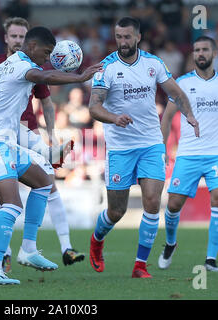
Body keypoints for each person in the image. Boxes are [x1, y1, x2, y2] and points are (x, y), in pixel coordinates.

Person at [0, 26, 102, 285]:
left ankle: (28, 249)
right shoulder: (23, 66)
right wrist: (79, 77)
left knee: (43, 182)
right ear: (31, 47)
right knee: (12, 204)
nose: (48, 58)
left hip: (4, 140)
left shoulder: (9, 62)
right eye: (46, 52)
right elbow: (45, 77)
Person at [88, 17, 199, 278]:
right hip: (120, 147)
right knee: (117, 211)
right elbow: (94, 107)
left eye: (127, 37)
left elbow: (178, 93)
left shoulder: (153, 63)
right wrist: (115, 118)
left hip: (150, 143)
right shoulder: (106, 68)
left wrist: (190, 115)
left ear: (138, 37)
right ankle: (96, 240)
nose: (122, 42)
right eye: (118, 37)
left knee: (152, 202)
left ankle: (140, 265)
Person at [158, 36, 218, 272]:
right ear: (193, 54)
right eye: (196, 50)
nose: (200, 53)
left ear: (214, 53)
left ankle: (210, 260)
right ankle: (170, 243)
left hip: (217, 154)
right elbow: (166, 118)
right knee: (174, 204)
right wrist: (163, 148)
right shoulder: (182, 83)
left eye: (205, 49)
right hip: (188, 155)